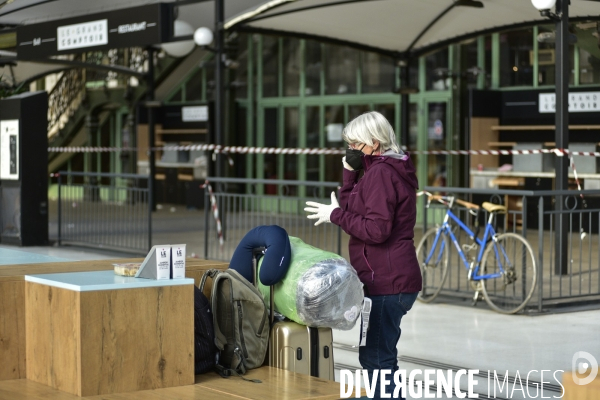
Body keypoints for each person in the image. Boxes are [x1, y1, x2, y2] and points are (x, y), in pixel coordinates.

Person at [304, 111, 422, 399]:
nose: (351, 150)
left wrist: (335, 215)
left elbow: (377, 230)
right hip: (385, 280)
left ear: (374, 141)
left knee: (377, 358)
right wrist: (349, 174)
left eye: (355, 144)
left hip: (388, 281)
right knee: (377, 356)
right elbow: (355, 209)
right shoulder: (380, 170)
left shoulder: (382, 173)